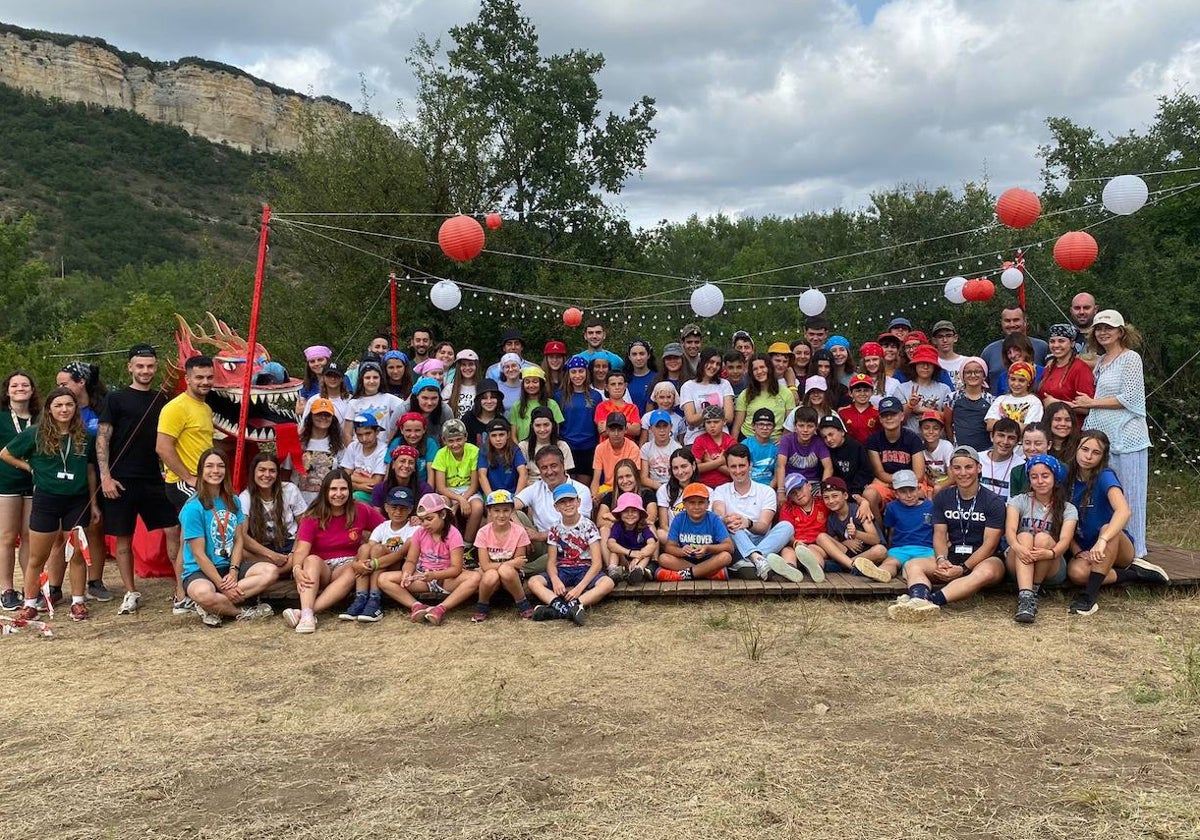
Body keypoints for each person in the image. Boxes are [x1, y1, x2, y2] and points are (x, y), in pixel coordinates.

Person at [2, 387, 100, 622]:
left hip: (77, 500)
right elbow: (6, 453)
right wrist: (30, 468)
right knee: (38, 556)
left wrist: (93, 503)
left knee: (76, 553)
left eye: (69, 405)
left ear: (75, 408)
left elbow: (89, 470)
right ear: (49, 409)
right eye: (58, 405)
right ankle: (30, 603)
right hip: (46, 499)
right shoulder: (35, 434)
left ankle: (78, 602)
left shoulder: (86, 436)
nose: (64, 409)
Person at [887, 445, 1006, 622]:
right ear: (950, 470)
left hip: (985, 559)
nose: (963, 473)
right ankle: (918, 598)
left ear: (979, 468)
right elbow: (940, 534)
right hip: (952, 556)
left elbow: (989, 545)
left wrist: (963, 568)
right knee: (913, 565)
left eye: (968, 467)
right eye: (957, 468)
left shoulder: (993, 501)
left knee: (985, 573)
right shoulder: (943, 497)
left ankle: (929, 601)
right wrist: (942, 559)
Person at [98, 346, 176, 603]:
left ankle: (182, 590)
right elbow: (103, 438)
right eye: (140, 366)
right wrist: (105, 477)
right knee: (124, 538)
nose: (145, 371)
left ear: (156, 367)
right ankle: (131, 591)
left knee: (173, 529)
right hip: (120, 479)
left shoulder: (163, 399)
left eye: (150, 366)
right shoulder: (115, 398)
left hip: (154, 477)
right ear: (129, 367)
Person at [1064, 431, 1167, 616]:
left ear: (1103, 456)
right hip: (1085, 547)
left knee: (1107, 527)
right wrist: (1077, 551)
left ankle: (1089, 598)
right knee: (1077, 574)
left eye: (1096, 452)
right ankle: (1135, 574)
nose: (1088, 456)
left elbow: (1124, 511)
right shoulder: (1067, 477)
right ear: (1076, 449)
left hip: (1116, 545)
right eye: (1085, 449)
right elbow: (1062, 521)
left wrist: (1102, 540)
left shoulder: (1105, 476)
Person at [1078, 309, 1151, 558]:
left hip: (1128, 438)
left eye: (1108, 328)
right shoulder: (1101, 361)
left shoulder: (1131, 358)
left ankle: (1136, 552)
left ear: (1121, 331)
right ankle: (1114, 549)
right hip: (1106, 438)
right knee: (1110, 495)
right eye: (1099, 328)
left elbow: (1131, 398)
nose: (1103, 332)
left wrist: (1090, 403)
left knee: (1130, 496)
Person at [178, 449, 277, 627]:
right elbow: (198, 554)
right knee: (203, 593)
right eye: (209, 466)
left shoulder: (233, 500)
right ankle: (242, 612)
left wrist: (233, 570)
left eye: (220, 466)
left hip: (229, 566)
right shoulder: (193, 507)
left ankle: (213, 606)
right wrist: (221, 584)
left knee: (270, 572)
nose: (215, 471)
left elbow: (239, 540)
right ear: (201, 471)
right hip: (200, 571)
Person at [283, 469, 385, 633]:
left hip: (346, 566)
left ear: (350, 490)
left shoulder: (361, 510)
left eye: (343, 489)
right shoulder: (312, 516)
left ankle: (307, 613)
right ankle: (307, 612)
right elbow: (302, 549)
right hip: (320, 567)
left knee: (355, 567)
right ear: (325, 491)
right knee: (311, 560)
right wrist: (296, 569)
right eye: (333, 489)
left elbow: (385, 528)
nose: (338, 494)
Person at [156, 354, 215, 614]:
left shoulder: (204, 407)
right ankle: (182, 595)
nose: (205, 382)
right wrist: (189, 477)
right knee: (189, 541)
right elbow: (163, 447)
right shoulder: (176, 407)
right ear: (187, 378)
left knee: (191, 539)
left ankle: (190, 590)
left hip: (202, 481)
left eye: (209, 377)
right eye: (199, 377)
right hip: (183, 482)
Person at [377, 492, 479, 625]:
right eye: (422, 520)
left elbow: (456, 569)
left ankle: (441, 608)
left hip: (446, 579)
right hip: (422, 577)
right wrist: (407, 572)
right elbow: (411, 560)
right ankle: (417, 606)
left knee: (475, 578)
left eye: (429, 519)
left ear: (442, 515)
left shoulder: (453, 534)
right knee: (383, 579)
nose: (425, 524)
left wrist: (434, 575)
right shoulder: (419, 532)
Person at [1004, 454, 1077, 624]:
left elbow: (1065, 541)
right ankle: (1026, 598)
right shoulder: (1018, 501)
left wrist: (1050, 553)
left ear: (1055, 477)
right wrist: (1017, 546)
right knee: (1023, 536)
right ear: (1029, 479)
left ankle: (1033, 590)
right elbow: (1010, 531)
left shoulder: (1068, 508)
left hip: (1050, 562)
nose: (1040, 481)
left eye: (1045, 476)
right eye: (1034, 476)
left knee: (1043, 538)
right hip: (1020, 559)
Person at [711, 444, 799, 582]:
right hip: (735, 540)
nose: (738, 470)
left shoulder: (766, 491)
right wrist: (725, 518)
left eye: (742, 465)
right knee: (730, 524)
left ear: (750, 465)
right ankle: (760, 560)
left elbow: (763, 527)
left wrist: (748, 523)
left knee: (787, 526)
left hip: (762, 539)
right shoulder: (721, 490)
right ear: (727, 468)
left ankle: (752, 560)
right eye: (733, 466)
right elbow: (718, 511)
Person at [528, 483, 613, 624]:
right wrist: (555, 579)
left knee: (607, 583)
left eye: (571, 500)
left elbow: (597, 563)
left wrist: (579, 589)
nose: (567, 505)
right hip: (563, 569)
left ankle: (572, 605)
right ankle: (562, 608)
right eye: (562, 502)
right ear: (556, 507)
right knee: (533, 581)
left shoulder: (588, 526)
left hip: (585, 569)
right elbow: (551, 561)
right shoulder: (555, 528)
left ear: (578, 502)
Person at [340, 485, 419, 622]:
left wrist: (371, 564)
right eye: (394, 507)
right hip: (378, 566)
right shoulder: (382, 527)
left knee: (378, 549)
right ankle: (361, 597)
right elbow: (368, 549)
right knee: (365, 548)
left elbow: (401, 554)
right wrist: (357, 563)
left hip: (400, 567)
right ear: (386, 508)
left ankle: (375, 600)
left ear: (410, 510)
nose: (398, 512)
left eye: (403, 508)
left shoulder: (414, 528)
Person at [514, 446, 593, 573]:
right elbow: (510, 506)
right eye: (544, 468)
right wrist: (522, 532)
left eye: (553, 465)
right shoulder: (537, 487)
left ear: (563, 465)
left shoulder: (581, 490)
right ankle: (514, 564)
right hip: (540, 546)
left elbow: (577, 528)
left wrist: (541, 535)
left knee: (553, 558)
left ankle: (518, 570)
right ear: (539, 470)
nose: (549, 471)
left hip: (568, 547)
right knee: (516, 514)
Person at [0, 371, 38, 610]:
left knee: (29, 537)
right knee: (6, 536)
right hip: (6, 482)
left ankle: (30, 587)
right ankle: (6, 588)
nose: (20, 388)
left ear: (32, 390)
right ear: (7, 391)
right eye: (15, 385)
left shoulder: (41, 417)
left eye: (25, 384)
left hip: (34, 484)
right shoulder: (2, 418)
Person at [238, 453, 307, 574]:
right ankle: (281, 570)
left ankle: (272, 572)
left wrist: (293, 552)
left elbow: (304, 526)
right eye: (262, 470)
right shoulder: (245, 496)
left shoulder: (290, 490)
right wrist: (272, 556)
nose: (267, 475)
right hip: (262, 548)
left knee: (308, 552)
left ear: (277, 473)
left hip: (290, 544)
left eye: (272, 471)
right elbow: (242, 535)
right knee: (238, 550)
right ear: (253, 472)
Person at [863, 396, 925, 520]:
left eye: (893, 414)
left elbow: (919, 474)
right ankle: (880, 535)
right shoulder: (873, 440)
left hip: (911, 482)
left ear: (902, 416)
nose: (889, 418)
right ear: (880, 419)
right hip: (886, 482)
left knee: (922, 493)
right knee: (869, 494)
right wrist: (894, 483)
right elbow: (879, 472)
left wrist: (900, 484)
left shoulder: (913, 438)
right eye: (885, 415)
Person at [659, 482, 734, 581]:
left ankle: (683, 575)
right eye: (692, 502)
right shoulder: (679, 518)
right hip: (686, 560)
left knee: (726, 557)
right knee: (663, 558)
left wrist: (708, 548)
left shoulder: (714, 519)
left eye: (701, 502)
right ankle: (709, 573)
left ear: (708, 504)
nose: (696, 506)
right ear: (684, 504)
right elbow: (669, 547)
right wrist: (682, 551)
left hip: (708, 559)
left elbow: (729, 547)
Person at [817, 476, 889, 578]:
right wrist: (845, 542)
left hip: (867, 553)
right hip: (847, 553)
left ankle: (842, 566)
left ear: (845, 495)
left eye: (835, 496)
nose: (831, 501)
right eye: (826, 497)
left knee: (881, 550)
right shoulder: (831, 518)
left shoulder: (859, 510)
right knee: (821, 537)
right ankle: (852, 566)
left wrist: (856, 534)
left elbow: (875, 539)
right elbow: (834, 541)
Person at [431, 418, 483, 542]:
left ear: (465, 437)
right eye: (451, 441)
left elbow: (474, 485)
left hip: (469, 489)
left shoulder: (473, 451)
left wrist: (461, 501)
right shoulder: (441, 454)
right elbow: (441, 487)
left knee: (478, 507)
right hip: (448, 491)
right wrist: (459, 500)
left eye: (459, 439)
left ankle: (467, 544)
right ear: (444, 440)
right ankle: (447, 541)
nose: (455, 444)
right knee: (442, 505)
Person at [879, 469, 933, 584]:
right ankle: (881, 573)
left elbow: (938, 531)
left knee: (928, 563)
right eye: (903, 492)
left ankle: (914, 575)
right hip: (900, 549)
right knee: (890, 562)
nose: (908, 495)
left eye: (912, 490)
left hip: (926, 550)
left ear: (919, 489)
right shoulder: (892, 507)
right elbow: (890, 531)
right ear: (896, 494)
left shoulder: (931, 507)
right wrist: (890, 548)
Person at [980, 305, 1050, 393]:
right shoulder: (989, 351)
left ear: (1025, 321)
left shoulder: (1042, 347)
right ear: (1001, 322)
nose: (1012, 324)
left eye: (1016, 320)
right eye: (1007, 321)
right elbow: (981, 384)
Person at [556, 356, 602, 483]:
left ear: (587, 373)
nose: (577, 375)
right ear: (568, 374)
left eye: (581, 371)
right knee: (568, 486)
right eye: (573, 372)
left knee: (583, 488)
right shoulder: (560, 396)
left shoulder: (595, 396)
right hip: (567, 446)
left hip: (588, 447)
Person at [733, 354, 796, 441]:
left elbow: (790, 423)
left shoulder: (786, 393)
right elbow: (737, 426)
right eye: (755, 369)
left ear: (769, 368)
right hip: (748, 441)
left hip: (775, 443)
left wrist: (783, 439)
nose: (759, 371)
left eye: (762, 367)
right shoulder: (745, 394)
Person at [296, 398, 345, 504]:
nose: (323, 417)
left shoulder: (338, 446)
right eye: (319, 414)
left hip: (328, 503)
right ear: (310, 416)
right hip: (300, 502)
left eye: (327, 415)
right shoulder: (298, 443)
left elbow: (343, 475)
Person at [1038, 324, 1095, 417]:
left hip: (1071, 425)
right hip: (1050, 424)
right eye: (1052, 341)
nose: (1056, 345)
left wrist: (1056, 403)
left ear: (1072, 343)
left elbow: (1087, 408)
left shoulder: (1080, 368)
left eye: (1061, 341)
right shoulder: (1048, 369)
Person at [345, 361, 405, 444]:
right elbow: (347, 433)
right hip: (359, 450)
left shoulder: (389, 398)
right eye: (367, 378)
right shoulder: (353, 403)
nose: (372, 381)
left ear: (381, 379)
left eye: (375, 377)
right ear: (362, 380)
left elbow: (406, 407)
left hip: (382, 450)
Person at [606, 491, 659, 584]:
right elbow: (610, 544)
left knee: (647, 553)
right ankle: (613, 570)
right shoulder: (617, 526)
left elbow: (652, 544)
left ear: (640, 514)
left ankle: (638, 570)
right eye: (626, 511)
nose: (630, 514)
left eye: (634, 511)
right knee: (614, 551)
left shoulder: (643, 527)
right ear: (620, 514)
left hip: (639, 558)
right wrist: (630, 553)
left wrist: (638, 556)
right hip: (623, 556)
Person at [898, 344, 952, 433]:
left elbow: (949, 418)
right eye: (922, 363)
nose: (925, 367)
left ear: (935, 367)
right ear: (915, 365)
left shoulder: (944, 389)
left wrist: (922, 410)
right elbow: (898, 420)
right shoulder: (902, 388)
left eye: (930, 364)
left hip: (937, 439)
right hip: (910, 440)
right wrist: (910, 406)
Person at [776, 406, 833, 489]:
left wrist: (823, 490)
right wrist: (780, 491)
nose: (805, 430)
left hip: (813, 483)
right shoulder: (787, 440)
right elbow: (781, 466)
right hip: (791, 482)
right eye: (801, 425)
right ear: (795, 426)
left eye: (810, 426)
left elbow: (828, 468)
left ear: (816, 427)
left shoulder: (819, 441)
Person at [947, 357, 993, 452]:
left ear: (984, 375)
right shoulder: (953, 398)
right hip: (960, 450)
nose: (973, 375)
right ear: (962, 375)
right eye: (968, 372)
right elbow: (947, 424)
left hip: (985, 450)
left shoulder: (991, 400)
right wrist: (953, 443)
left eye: (977, 372)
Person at [591, 413, 643, 498]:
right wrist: (594, 496)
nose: (616, 433)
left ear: (625, 430)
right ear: (607, 430)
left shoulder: (633, 448)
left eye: (619, 429)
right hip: (607, 488)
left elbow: (634, 479)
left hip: (628, 487)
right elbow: (596, 479)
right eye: (612, 429)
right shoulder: (600, 448)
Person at [509, 365, 564, 442]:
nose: (531, 385)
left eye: (535, 382)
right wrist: (520, 451)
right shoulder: (517, 406)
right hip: (523, 449)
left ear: (541, 384)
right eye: (527, 382)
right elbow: (513, 435)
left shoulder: (552, 404)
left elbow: (556, 432)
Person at [340, 413, 387, 502]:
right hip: (353, 489)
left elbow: (375, 483)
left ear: (377, 431)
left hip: (374, 495)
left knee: (355, 496)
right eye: (359, 435)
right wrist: (358, 486)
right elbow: (343, 477)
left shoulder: (383, 450)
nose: (364, 439)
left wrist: (352, 478)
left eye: (368, 433)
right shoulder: (353, 446)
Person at [477, 416, 527, 497]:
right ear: (488, 437)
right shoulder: (484, 450)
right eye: (493, 435)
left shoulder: (515, 449)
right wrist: (491, 498)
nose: (498, 439)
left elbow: (523, 473)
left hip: (512, 494)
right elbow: (481, 475)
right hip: (491, 493)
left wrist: (517, 497)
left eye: (501, 435)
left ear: (508, 435)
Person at [986, 362, 1043, 431]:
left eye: (1021, 380)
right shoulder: (1000, 399)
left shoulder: (1034, 401)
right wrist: (1018, 425)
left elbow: (1029, 428)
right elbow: (990, 425)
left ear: (1029, 382)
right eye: (1013, 379)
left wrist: (1000, 424)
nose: (1016, 384)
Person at [979, 417, 1023, 502]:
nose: (1005, 441)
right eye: (1001, 435)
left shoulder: (1021, 466)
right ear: (992, 437)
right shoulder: (977, 459)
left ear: (1017, 442)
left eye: (1011, 438)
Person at [692, 404, 735, 489]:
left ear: (724, 422)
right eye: (708, 422)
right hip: (704, 485)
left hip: (727, 485)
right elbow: (695, 468)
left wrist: (709, 461)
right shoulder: (700, 440)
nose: (712, 426)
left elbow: (734, 472)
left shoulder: (730, 441)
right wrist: (719, 462)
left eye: (716, 422)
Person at [640, 409, 682, 491]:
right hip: (652, 487)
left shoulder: (677, 448)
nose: (662, 430)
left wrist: (668, 488)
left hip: (673, 486)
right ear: (650, 428)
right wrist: (661, 488)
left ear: (671, 427)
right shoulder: (646, 448)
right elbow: (643, 478)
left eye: (665, 426)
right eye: (658, 426)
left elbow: (680, 475)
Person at [594, 369, 641, 441]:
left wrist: (611, 425)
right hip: (606, 449)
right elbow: (602, 431)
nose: (617, 387)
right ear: (606, 387)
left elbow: (637, 430)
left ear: (625, 385)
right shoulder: (601, 406)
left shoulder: (633, 408)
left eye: (620, 384)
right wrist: (627, 425)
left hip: (628, 449)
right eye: (613, 384)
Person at [837, 373, 879, 445]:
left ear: (872, 392)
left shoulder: (878, 412)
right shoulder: (842, 412)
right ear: (850, 393)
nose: (862, 394)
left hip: (871, 451)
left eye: (866, 390)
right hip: (850, 452)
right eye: (858, 390)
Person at [930, 320, 966, 392]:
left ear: (955, 338)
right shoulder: (931, 363)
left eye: (949, 336)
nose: (945, 340)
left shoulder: (966, 362)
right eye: (940, 337)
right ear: (934, 340)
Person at [623, 340, 657, 411]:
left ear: (648, 355)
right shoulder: (623, 380)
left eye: (642, 354)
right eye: (634, 354)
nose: (638, 358)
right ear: (629, 357)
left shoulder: (657, 378)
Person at [443, 350, 479, 418]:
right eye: (463, 364)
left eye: (471, 364)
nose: (467, 368)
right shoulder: (450, 388)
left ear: (476, 366)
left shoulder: (481, 388)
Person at [298, 345, 332, 414]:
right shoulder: (307, 384)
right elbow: (299, 410)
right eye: (312, 361)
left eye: (320, 360)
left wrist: (310, 405)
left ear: (327, 361)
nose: (316, 364)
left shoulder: (341, 379)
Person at [1069, 292, 1098, 359]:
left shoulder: (1104, 335)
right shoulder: (1062, 336)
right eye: (1077, 308)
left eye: (1086, 308)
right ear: (1071, 310)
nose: (1081, 312)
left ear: (1095, 309)